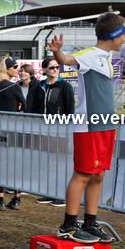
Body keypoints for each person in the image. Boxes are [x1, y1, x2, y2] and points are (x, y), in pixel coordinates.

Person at [48, 15, 125, 243]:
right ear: (113, 36)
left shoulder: (107, 56)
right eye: (124, 33)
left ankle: (90, 223)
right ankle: (68, 226)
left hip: (105, 124)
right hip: (89, 125)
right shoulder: (91, 54)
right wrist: (57, 52)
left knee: (99, 175)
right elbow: (66, 59)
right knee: (83, 174)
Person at [32, 56, 75, 207]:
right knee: (46, 161)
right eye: (52, 67)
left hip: (60, 129)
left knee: (59, 163)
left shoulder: (65, 86)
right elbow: (34, 107)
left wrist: (67, 128)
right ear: (44, 70)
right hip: (43, 129)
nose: (56, 70)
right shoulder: (39, 86)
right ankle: (48, 192)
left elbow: (70, 110)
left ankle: (62, 195)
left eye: (57, 67)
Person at [0, 56, 26, 211]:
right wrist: (18, 107)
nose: (17, 69)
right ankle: (16, 198)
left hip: (0, 128)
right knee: (16, 164)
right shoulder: (14, 86)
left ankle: (0, 198)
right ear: (7, 68)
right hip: (15, 128)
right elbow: (25, 106)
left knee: (0, 164)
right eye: (15, 67)